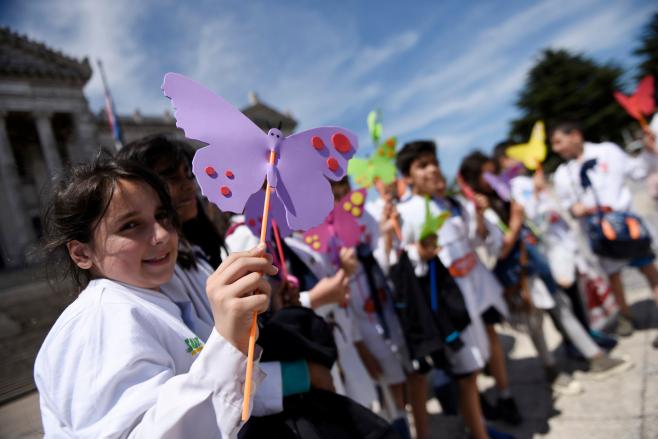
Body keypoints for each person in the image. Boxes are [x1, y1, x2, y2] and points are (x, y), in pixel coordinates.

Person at [35, 157, 276, 437]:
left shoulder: (152, 298)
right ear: (82, 253)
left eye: (162, 216)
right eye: (130, 226)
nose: (161, 234)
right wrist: (228, 341)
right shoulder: (100, 322)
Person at [117, 135, 335, 415]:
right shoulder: (154, 270)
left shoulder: (195, 253)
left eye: (188, 176)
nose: (187, 186)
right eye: (170, 177)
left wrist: (270, 306)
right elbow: (202, 362)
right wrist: (300, 377)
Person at [460, 151, 630, 387]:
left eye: (494, 172)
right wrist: (515, 221)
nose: (493, 178)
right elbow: (498, 250)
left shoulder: (503, 197)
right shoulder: (478, 209)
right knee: (537, 322)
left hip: (534, 262)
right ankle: (552, 368)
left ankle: (592, 356)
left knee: (561, 309)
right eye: (487, 174)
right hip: (520, 272)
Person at [395, 140, 515, 439]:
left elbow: (474, 241)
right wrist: (419, 253)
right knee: (467, 373)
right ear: (407, 177)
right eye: (422, 165)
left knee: (475, 365)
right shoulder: (404, 213)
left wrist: (478, 217)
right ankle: (479, 431)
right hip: (449, 304)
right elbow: (403, 263)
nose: (432, 168)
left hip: (474, 293)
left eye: (433, 161)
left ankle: (483, 420)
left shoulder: (449, 203)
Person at [551, 121, 658, 342]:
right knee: (613, 275)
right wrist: (574, 208)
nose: (556, 149)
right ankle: (625, 315)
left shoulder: (607, 151)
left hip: (626, 225)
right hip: (598, 231)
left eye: (559, 141)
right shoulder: (563, 173)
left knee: (648, 268)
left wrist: (649, 150)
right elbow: (566, 202)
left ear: (575, 135)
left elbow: (638, 171)